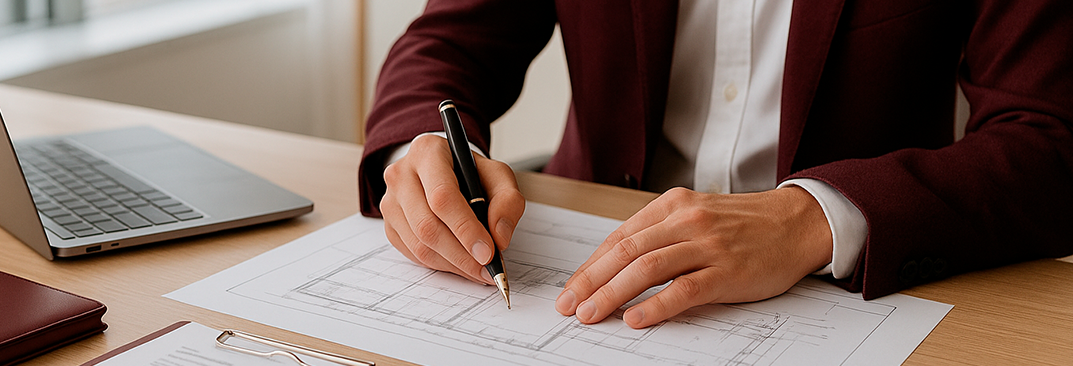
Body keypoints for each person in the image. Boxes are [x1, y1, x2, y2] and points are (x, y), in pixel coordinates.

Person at [358, 0, 1073, 329]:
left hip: (847, 290)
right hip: (586, 269)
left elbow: (1050, 138)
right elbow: (448, 43)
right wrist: (419, 149)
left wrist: (813, 217)